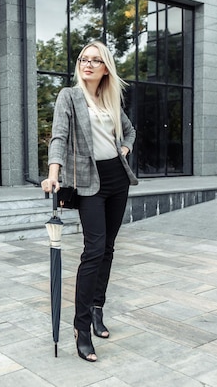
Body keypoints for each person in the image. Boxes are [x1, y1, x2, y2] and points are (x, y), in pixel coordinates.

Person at [41, 41, 138, 362]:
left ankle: (98, 310)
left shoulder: (110, 99)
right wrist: (53, 173)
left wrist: (124, 150)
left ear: (106, 67)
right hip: (89, 182)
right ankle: (81, 327)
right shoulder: (69, 97)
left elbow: (129, 131)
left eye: (96, 60)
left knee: (108, 248)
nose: (88, 64)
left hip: (117, 179)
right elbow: (59, 136)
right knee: (93, 250)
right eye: (84, 58)